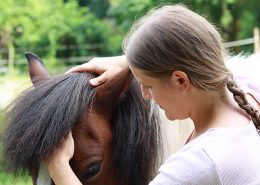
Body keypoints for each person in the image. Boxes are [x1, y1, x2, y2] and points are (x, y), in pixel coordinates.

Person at [45, 4, 260, 185]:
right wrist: (128, 62)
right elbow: (199, 51)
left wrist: (58, 165)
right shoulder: (245, 94)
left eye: (148, 85)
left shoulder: (197, 164)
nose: (145, 96)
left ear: (180, 81)